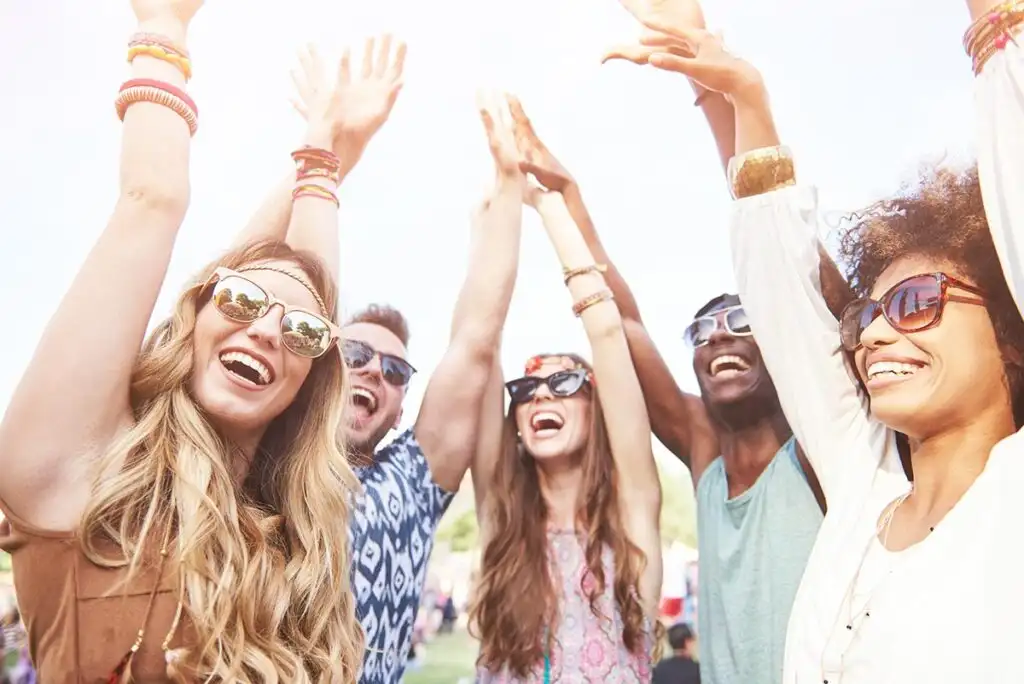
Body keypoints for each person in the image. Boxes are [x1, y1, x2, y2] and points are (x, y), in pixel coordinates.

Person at [629, 6, 1024, 683]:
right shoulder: (861, 493)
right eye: (870, 312)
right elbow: (781, 286)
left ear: (1011, 337)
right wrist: (746, 100)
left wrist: (997, 27)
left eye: (916, 301)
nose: (873, 332)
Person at [0, 2, 366, 680]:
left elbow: (313, 316)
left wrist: (324, 158)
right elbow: (151, 201)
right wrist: (163, 28)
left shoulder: (288, 540)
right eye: (240, 302)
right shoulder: (81, 482)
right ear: (189, 322)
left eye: (298, 332)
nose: (265, 330)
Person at [505, 7, 851, 679]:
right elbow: (624, 322)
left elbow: (782, 250)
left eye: (744, 321)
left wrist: (718, 87)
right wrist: (566, 198)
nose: (719, 333)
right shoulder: (703, 452)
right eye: (703, 329)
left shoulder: (818, 445)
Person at [239, 70, 525, 681]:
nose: (373, 370)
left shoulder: (414, 484)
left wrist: (508, 187)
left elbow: (477, 339)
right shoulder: (258, 454)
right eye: (354, 355)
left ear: (399, 406)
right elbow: (246, 283)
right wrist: (324, 159)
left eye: (395, 370)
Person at [470, 97, 663, 682]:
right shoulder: (499, 517)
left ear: (596, 405)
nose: (540, 396)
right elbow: (482, 339)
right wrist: (500, 208)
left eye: (563, 381)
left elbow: (605, 327)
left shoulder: (633, 515)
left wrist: (546, 204)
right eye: (526, 389)